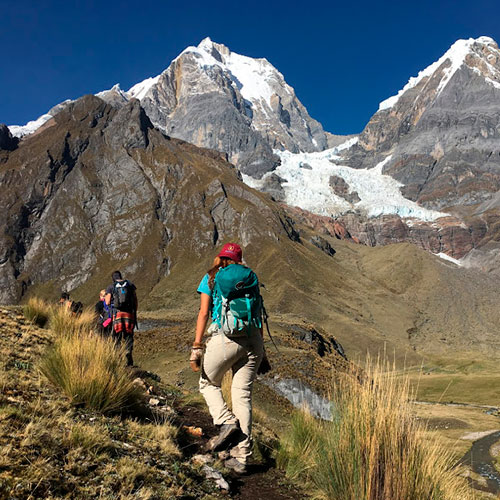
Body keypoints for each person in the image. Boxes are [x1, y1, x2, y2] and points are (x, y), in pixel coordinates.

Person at [191, 243, 266, 474]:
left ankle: (226, 421)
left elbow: (204, 313)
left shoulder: (212, 278)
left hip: (226, 338)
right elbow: (258, 314)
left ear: (220, 257)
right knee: (242, 396)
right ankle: (242, 457)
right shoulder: (250, 279)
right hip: (253, 340)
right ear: (239, 260)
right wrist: (263, 353)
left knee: (207, 382)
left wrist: (197, 345)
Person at [105, 271, 138, 366]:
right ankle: (129, 355)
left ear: (113, 278)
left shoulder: (111, 287)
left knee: (117, 337)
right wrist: (134, 311)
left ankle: (118, 358)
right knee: (128, 336)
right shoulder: (130, 285)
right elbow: (135, 300)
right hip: (129, 314)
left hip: (117, 314)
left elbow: (107, 302)